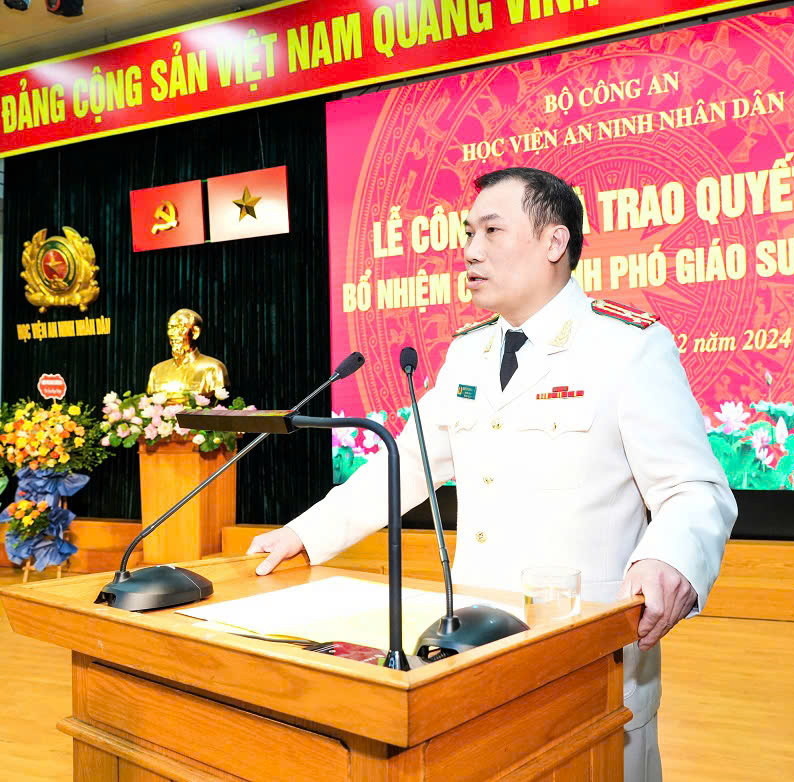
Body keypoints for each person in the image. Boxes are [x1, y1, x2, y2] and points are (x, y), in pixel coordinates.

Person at [248, 167, 737, 781]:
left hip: (586, 662)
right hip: (474, 652)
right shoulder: (469, 352)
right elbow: (405, 463)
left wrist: (668, 558)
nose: (471, 250)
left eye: (492, 231)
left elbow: (694, 490)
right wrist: (304, 535)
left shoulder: (626, 347)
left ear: (554, 242)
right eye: (468, 233)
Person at [147, 308, 229, 402]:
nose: (172, 333)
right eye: (170, 328)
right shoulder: (157, 370)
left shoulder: (214, 368)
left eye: (179, 327)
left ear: (195, 332)